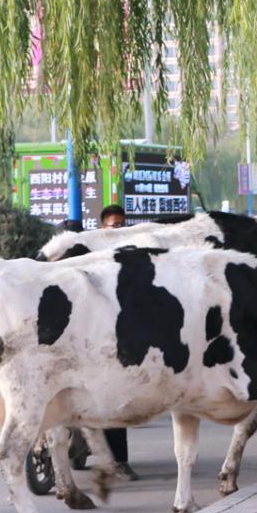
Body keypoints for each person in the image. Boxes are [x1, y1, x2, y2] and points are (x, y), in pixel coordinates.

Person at [98, 205, 139, 482]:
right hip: (91, 330)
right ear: (102, 227)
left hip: (117, 335)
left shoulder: (131, 258)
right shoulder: (90, 254)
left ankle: (120, 461)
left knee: (113, 400)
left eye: (122, 224)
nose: (119, 230)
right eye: (114, 225)